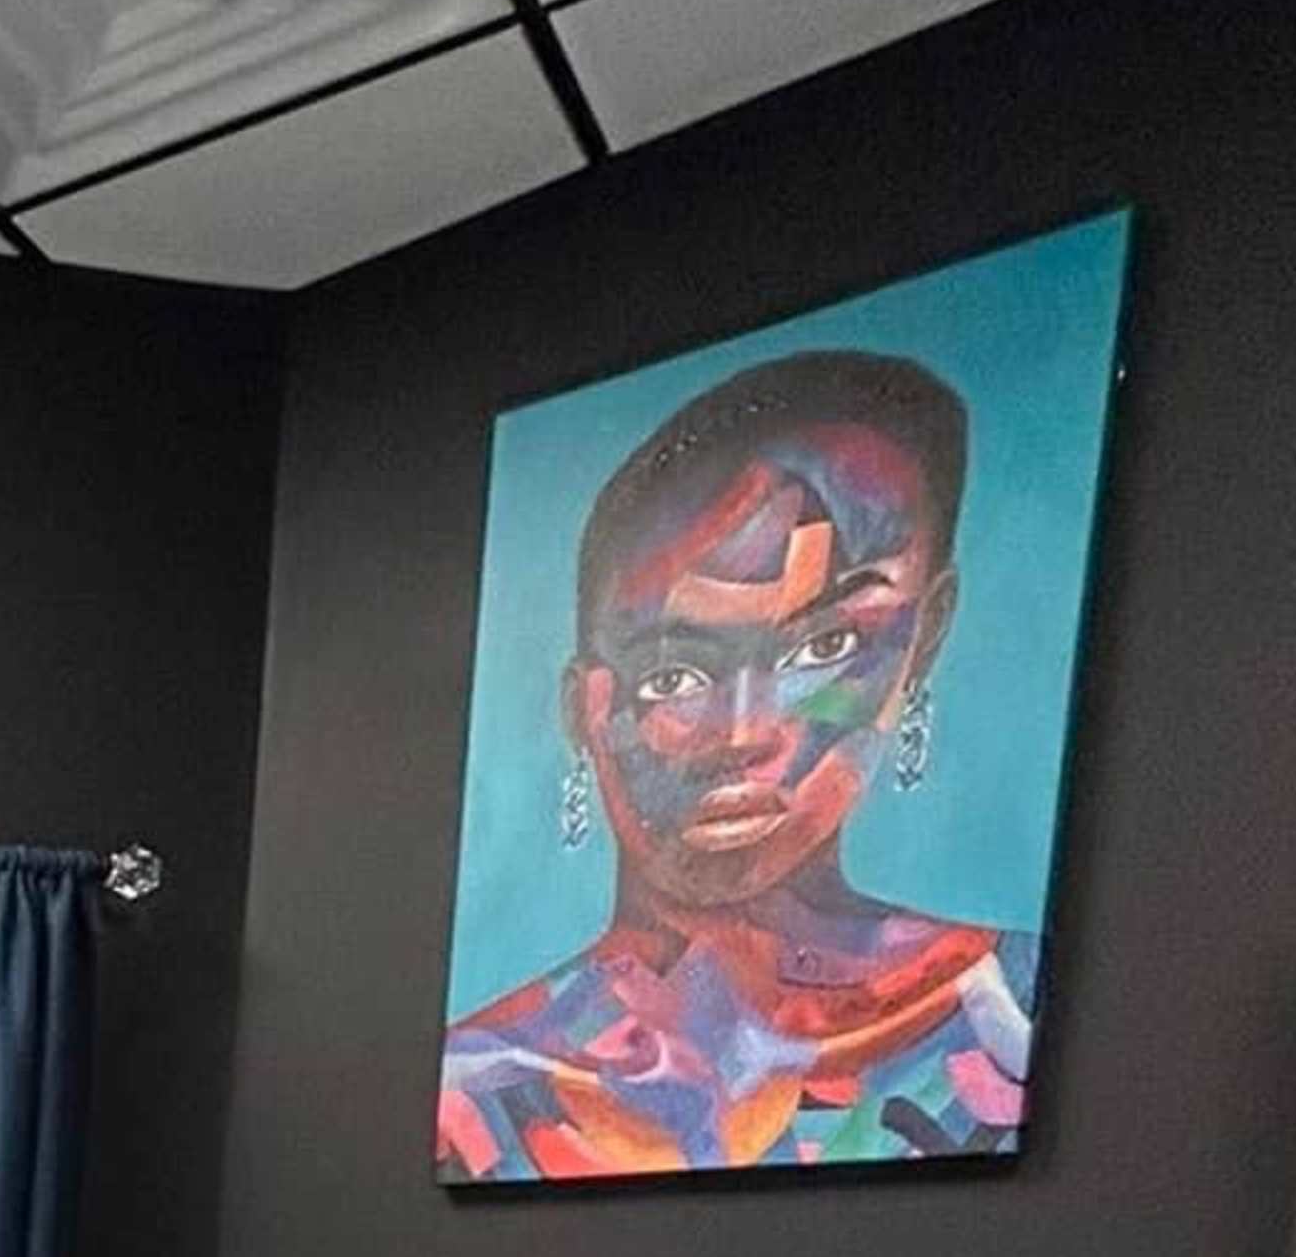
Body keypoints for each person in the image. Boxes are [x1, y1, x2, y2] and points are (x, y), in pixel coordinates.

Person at [439, 345, 1031, 1179]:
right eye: (673, 676)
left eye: (826, 647)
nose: (743, 732)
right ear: (585, 709)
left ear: (922, 642)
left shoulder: (1017, 1011)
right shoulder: (475, 1083)